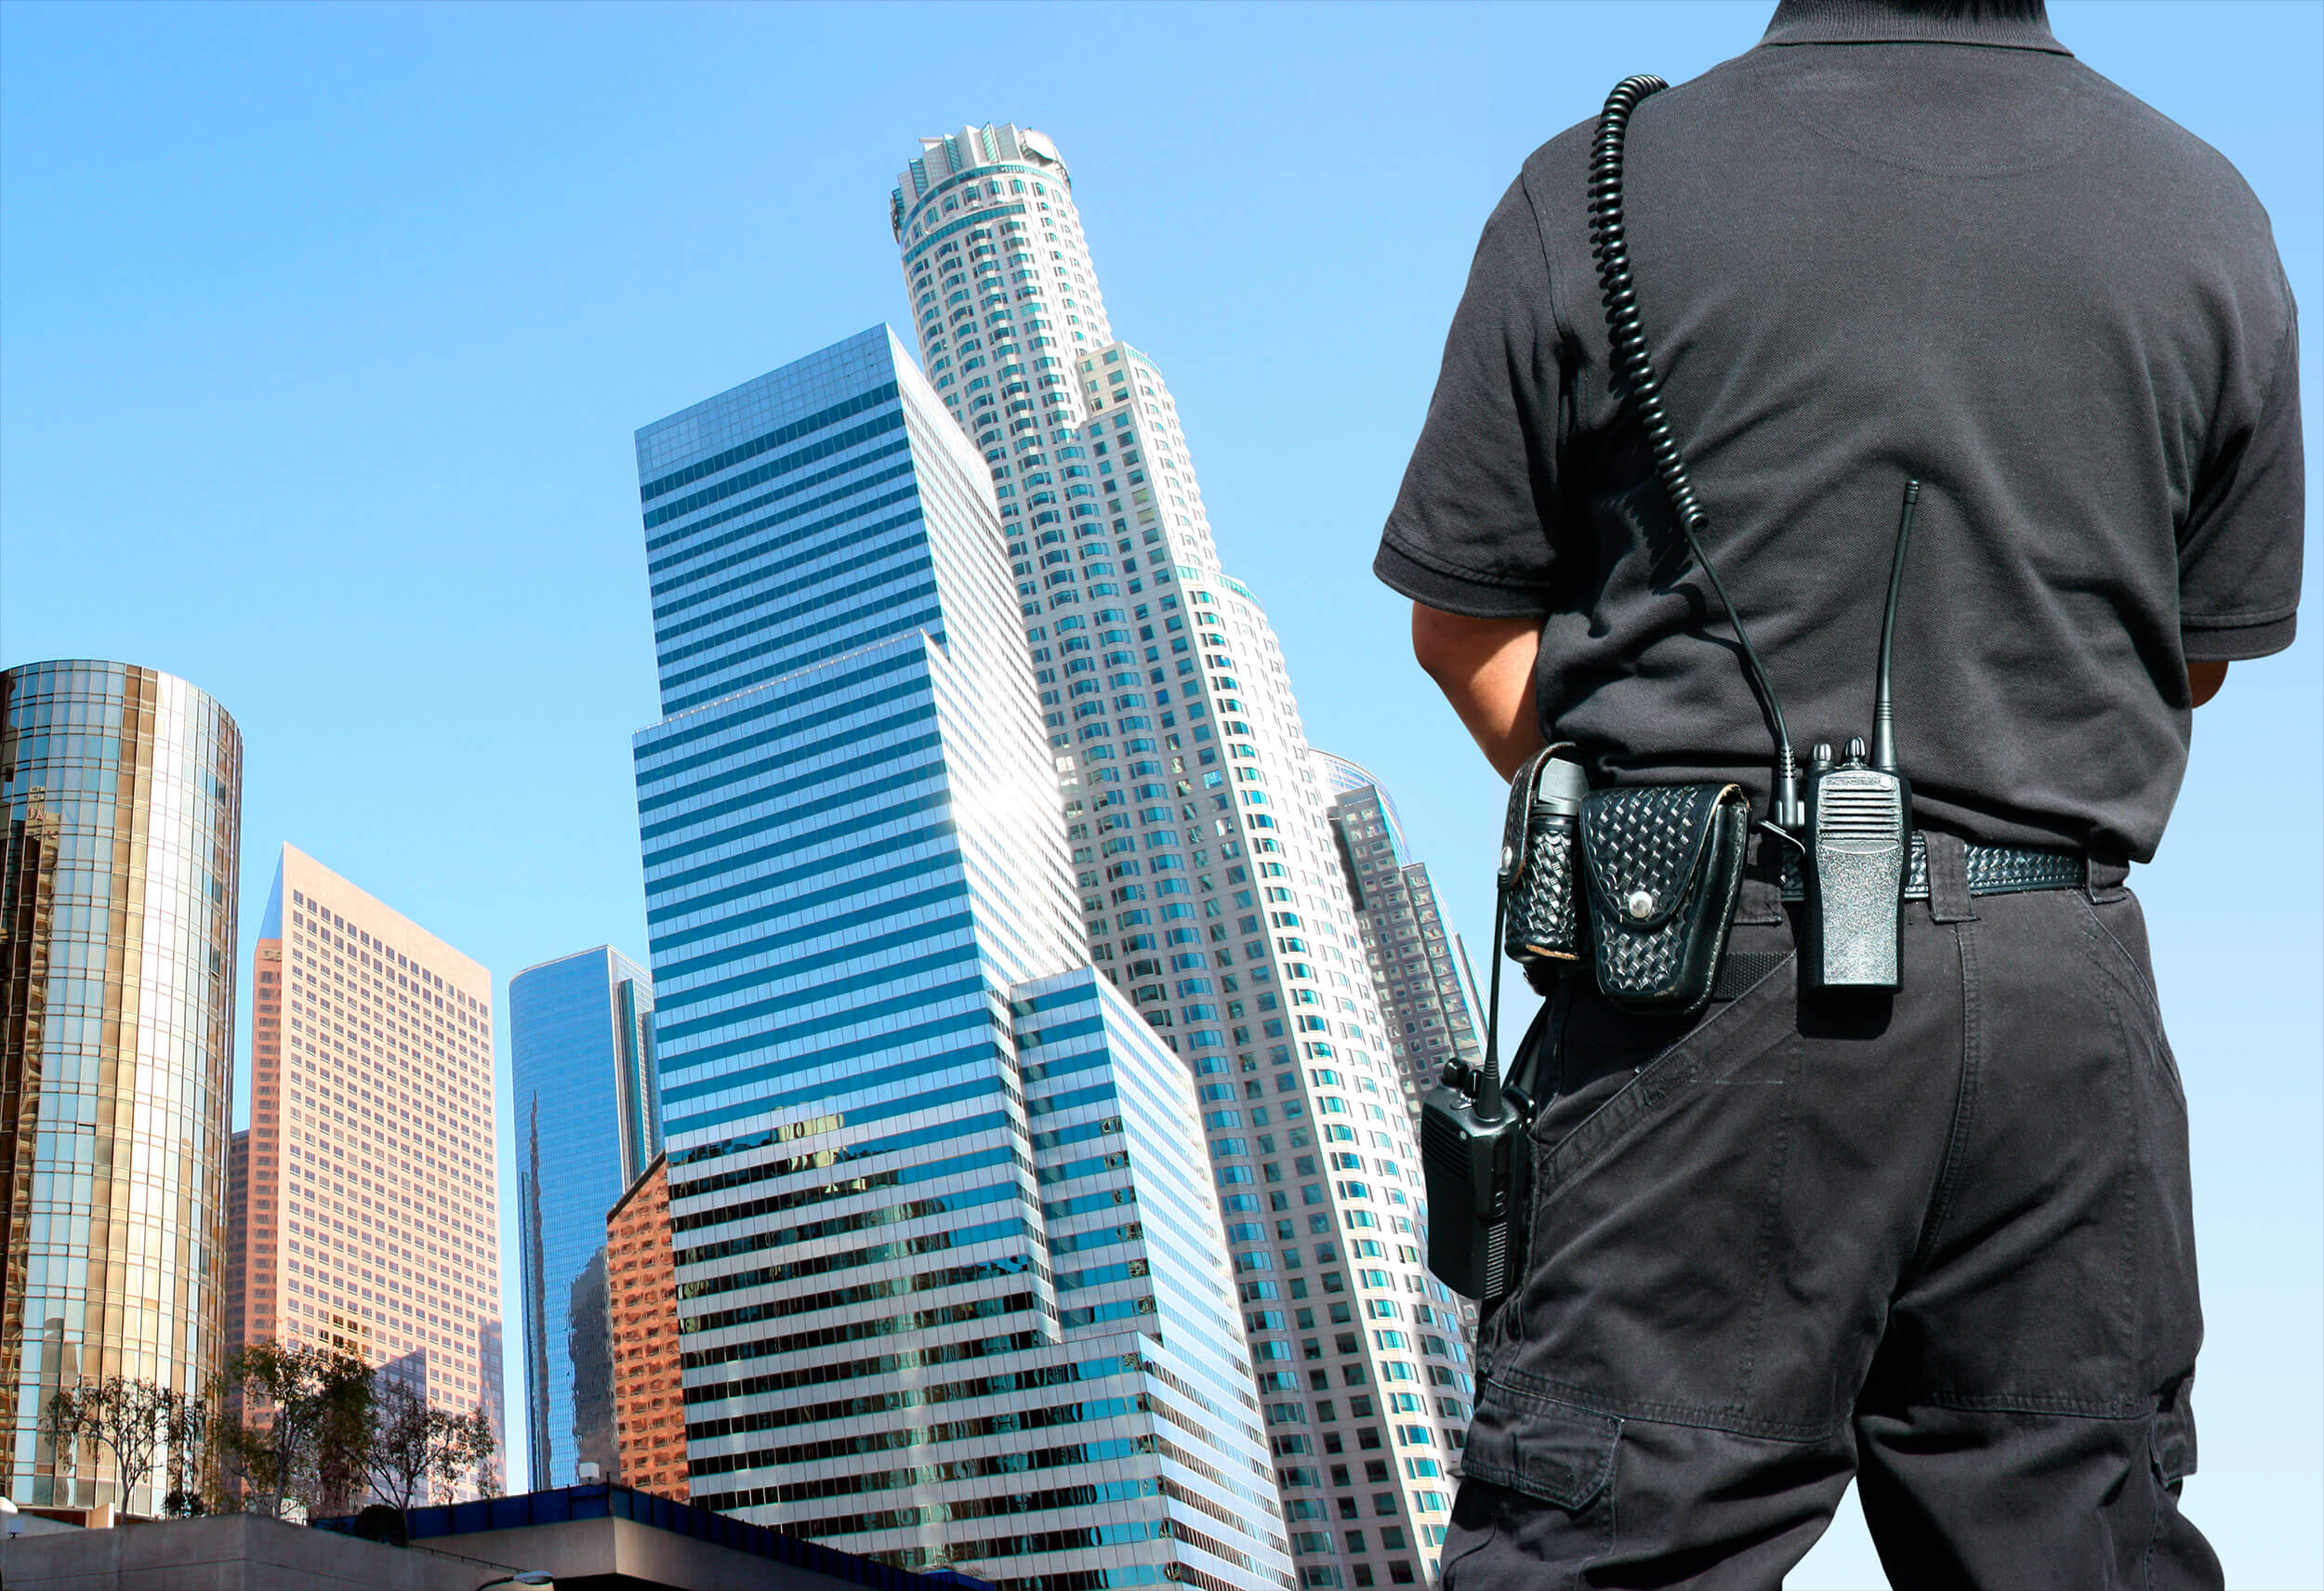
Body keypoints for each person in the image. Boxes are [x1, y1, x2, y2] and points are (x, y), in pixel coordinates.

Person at [1374, 2, 2302, 1585]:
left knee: (1609, 1546)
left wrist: (1660, 842)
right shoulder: (2210, 207)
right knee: (2073, 1549)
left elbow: (1463, 621)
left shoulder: (1597, 178)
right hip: (2057, 996)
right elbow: (2196, 652)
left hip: (1698, 975)